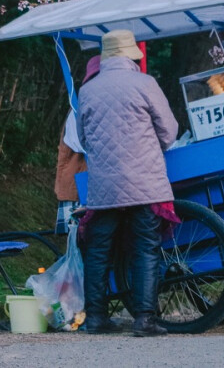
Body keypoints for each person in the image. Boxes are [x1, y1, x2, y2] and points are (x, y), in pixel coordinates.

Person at [76, 29, 178, 337]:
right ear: (132, 56)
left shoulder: (87, 91)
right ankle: (144, 319)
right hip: (144, 182)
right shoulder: (145, 83)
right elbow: (169, 131)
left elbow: (82, 139)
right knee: (145, 248)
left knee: (98, 250)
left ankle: (95, 318)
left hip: (104, 186)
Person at [53, 55, 99, 234]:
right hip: (77, 185)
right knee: (78, 239)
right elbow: (80, 143)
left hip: (91, 183)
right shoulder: (77, 106)